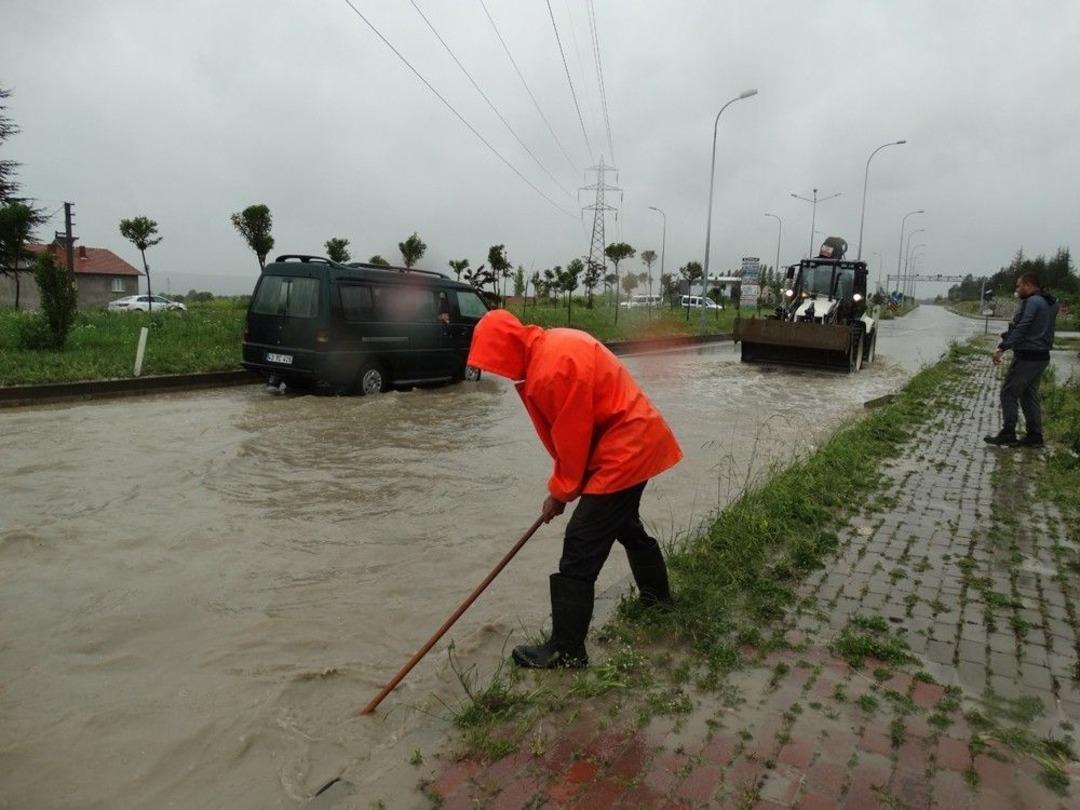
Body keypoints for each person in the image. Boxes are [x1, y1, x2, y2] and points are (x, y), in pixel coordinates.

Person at [466, 309, 683, 668]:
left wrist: (561, 493)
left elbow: (572, 439)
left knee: (580, 546)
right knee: (625, 526)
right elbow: (576, 437)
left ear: (506, 348)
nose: (498, 372)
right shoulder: (551, 346)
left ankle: (567, 651)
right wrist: (565, 488)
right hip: (633, 443)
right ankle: (658, 600)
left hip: (623, 453)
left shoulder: (550, 370)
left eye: (494, 363)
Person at [984, 272, 1058, 448]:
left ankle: (1008, 433)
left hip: (1027, 356)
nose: (1017, 289)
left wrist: (1003, 347)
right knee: (1028, 394)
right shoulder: (1051, 303)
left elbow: (1023, 326)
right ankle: (1035, 436)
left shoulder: (1032, 302)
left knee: (1008, 392)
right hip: (1042, 357)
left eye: (1019, 286)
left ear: (1029, 285)